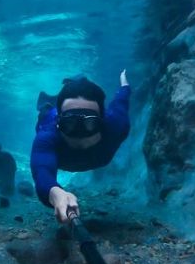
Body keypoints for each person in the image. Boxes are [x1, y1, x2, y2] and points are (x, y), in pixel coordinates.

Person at [31, 70, 130, 223]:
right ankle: (49, 103)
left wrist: (124, 84)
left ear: (101, 121)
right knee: (45, 111)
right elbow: (42, 171)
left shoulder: (116, 126)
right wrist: (56, 193)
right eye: (69, 123)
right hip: (49, 116)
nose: (79, 134)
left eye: (90, 123)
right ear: (60, 123)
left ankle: (73, 86)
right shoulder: (47, 136)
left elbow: (121, 100)